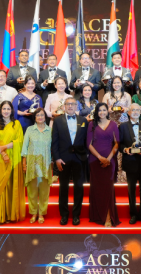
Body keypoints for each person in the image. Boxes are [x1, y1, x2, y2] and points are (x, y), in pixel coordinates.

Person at [51, 96, 88, 226]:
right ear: (64, 106)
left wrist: (85, 155)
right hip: (63, 158)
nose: (70, 106)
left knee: (79, 187)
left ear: (76, 106)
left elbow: (87, 140)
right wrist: (57, 158)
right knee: (63, 187)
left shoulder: (83, 120)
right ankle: (64, 215)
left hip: (79, 158)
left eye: (73, 104)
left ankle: (76, 215)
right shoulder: (57, 121)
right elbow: (54, 141)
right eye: (68, 104)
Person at [0, 100, 25, 224]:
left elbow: (19, 141)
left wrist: (4, 147)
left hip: (13, 156)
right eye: (4, 108)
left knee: (10, 184)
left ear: (12, 110)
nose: (6, 111)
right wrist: (2, 152)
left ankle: (10, 214)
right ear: (0, 110)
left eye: (8, 109)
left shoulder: (16, 124)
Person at [119, 104, 141, 225]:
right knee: (131, 190)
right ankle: (133, 214)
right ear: (128, 112)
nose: (135, 112)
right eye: (133, 110)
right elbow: (119, 144)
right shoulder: (122, 126)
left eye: (138, 110)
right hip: (130, 161)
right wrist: (125, 149)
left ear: (140, 112)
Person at [87, 103, 120, 227]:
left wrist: (108, 159)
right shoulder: (91, 124)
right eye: (99, 110)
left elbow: (117, 143)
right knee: (97, 189)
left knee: (108, 188)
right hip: (95, 160)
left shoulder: (113, 124)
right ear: (96, 112)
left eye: (104, 110)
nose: (102, 112)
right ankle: (98, 215)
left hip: (110, 161)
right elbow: (88, 144)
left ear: (107, 111)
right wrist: (100, 158)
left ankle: (108, 216)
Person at [22, 108, 53, 224]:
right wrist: (24, 164)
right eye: (38, 115)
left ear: (45, 117)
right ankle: (34, 213)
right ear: (34, 117)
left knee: (44, 191)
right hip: (32, 165)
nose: (40, 117)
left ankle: (41, 213)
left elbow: (53, 148)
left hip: (45, 165)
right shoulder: (30, 130)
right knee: (32, 190)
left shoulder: (50, 130)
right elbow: (24, 147)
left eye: (42, 115)